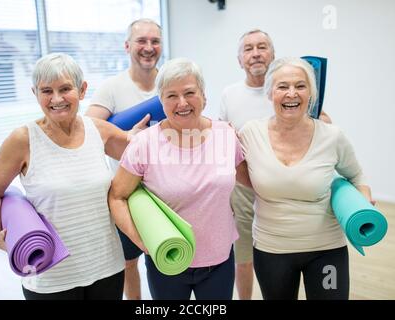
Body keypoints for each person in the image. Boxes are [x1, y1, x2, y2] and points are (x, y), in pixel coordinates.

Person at [0, 53, 149, 300]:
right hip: (50, 278)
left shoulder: (97, 129)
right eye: (46, 90)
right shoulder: (23, 140)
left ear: (82, 90)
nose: (56, 99)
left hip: (107, 268)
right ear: (35, 93)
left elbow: (137, 152)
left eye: (65, 88)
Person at [108, 58, 250, 300]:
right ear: (160, 101)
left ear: (204, 96)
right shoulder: (145, 143)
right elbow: (117, 196)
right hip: (166, 260)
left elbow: (253, 179)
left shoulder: (226, 135)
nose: (182, 103)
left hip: (219, 259)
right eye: (171, 95)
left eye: (189, 93)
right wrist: (142, 241)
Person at [238, 57, 374, 299]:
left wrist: (363, 202)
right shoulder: (250, 133)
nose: (292, 94)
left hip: (326, 249)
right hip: (272, 250)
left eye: (300, 86)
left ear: (311, 92)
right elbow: (229, 164)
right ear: (270, 93)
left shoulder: (332, 136)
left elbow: (357, 175)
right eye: (282, 86)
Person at [219, 29, 332, 300]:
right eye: (248, 48)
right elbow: (224, 134)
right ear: (239, 60)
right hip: (245, 184)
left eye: (262, 47)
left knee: (291, 250)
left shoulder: (291, 89)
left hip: (288, 184)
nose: (256, 53)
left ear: (273, 55)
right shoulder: (229, 94)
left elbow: (321, 123)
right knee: (243, 254)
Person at [85, 18, 162, 300]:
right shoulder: (112, 87)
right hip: (126, 193)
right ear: (127, 46)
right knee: (130, 262)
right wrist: (126, 134)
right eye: (142, 41)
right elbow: (86, 129)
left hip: (167, 189)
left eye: (155, 41)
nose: (148, 47)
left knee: (163, 258)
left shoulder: (169, 83)